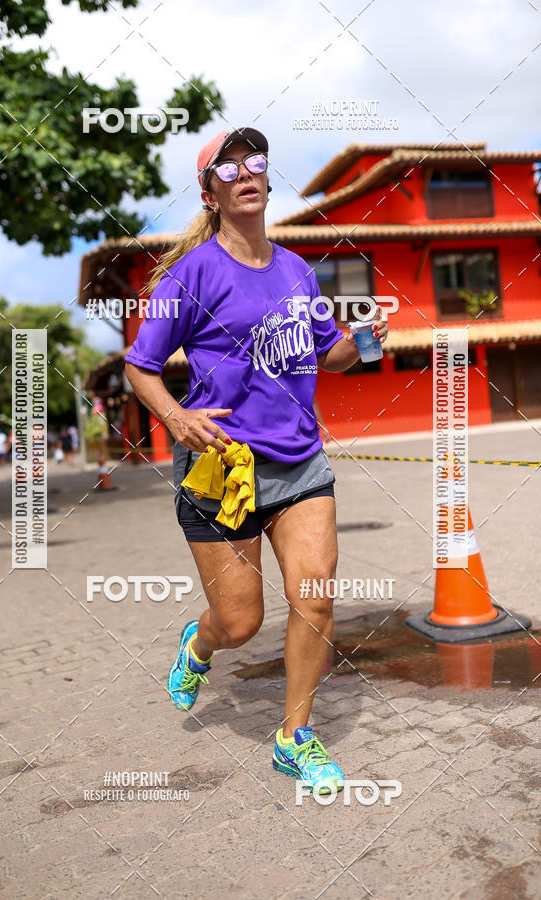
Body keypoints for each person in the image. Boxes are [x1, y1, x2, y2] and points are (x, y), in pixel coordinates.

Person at [124, 127, 389, 795]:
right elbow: (140, 365)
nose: (245, 173)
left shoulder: (298, 271)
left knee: (315, 599)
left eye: (256, 163)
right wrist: (177, 417)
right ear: (209, 194)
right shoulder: (192, 275)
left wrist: (362, 342)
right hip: (224, 471)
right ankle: (200, 643)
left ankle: (294, 738)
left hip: (301, 464)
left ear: (268, 182)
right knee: (240, 623)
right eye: (228, 167)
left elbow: (328, 355)